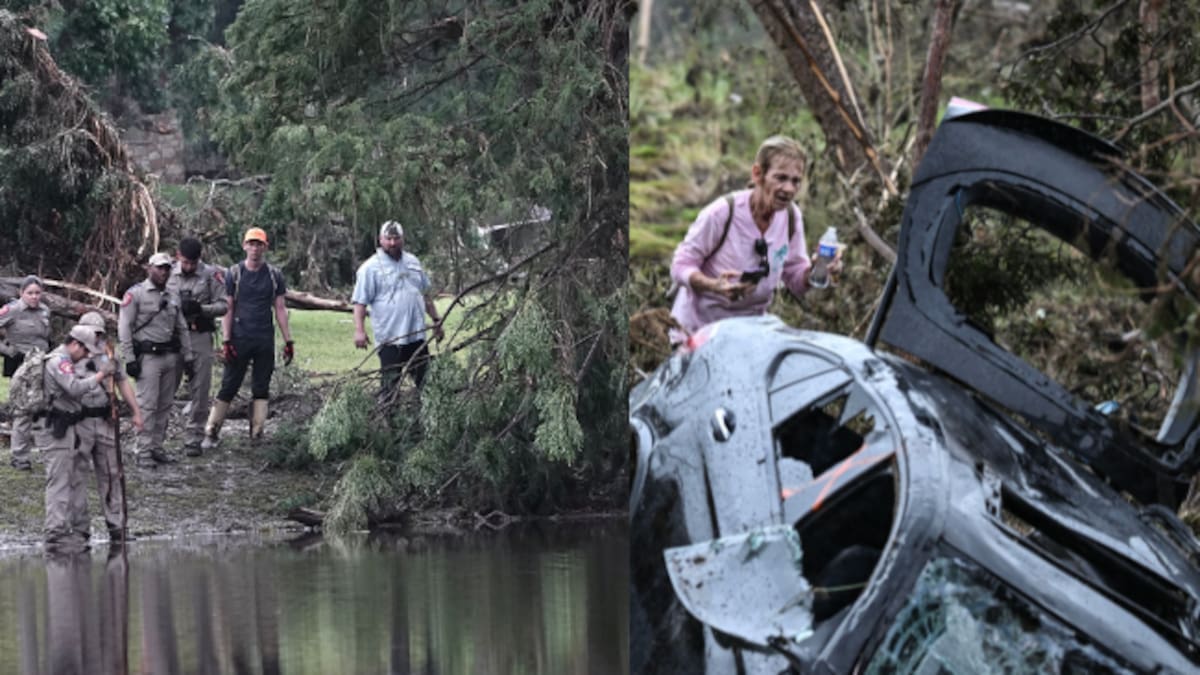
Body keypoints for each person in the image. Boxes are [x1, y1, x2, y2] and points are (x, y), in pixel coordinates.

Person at [669, 135, 842, 338]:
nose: (789, 189)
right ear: (758, 174)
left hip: (748, 334)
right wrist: (713, 286)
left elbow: (795, 278)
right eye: (781, 178)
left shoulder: (791, 217)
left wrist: (817, 270)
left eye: (796, 181)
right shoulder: (722, 213)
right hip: (698, 332)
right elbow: (680, 265)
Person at [203, 227, 294, 448]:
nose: (254, 248)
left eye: (259, 244)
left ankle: (257, 433)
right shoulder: (234, 273)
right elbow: (228, 307)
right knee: (229, 385)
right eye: (251, 244)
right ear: (244, 246)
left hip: (264, 337)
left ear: (265, 247)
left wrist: (288, 341)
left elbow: (280, 308)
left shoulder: (274, 275)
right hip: (239, 337)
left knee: (261, 387)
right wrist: (226, 340)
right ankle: (211, 431)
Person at [39, 325, 114, 551]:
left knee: (67, 479)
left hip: (65, 424)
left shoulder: (63, 360)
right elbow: (73, 388)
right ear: (74, 344)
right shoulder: (58, 361)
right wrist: (101, 375)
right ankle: (55, 534)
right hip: (55, 426)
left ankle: (64, 530)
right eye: (85, 350)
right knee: (59, 481)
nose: (87, 355)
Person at [118, 252, 194, 469]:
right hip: (148, 358)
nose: (163, 272)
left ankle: (156, 447)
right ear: (149, 268)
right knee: (147, 405)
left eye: (167, 268)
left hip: (171, 356)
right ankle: (142, 450)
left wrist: (188, 356)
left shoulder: (173, 295)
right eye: (159, 267)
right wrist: (130, 358)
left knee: (165, 405)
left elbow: (181, 327)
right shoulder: (136, 294)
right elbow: (124, 328)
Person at [352, 220, 443, 396]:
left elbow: (425, 294)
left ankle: (427, 420)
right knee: (390, 388)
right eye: (388, 239)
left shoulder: (413, 262)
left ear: (403, 239)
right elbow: (360, 302)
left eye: (396, 238)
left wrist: (436, 320)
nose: (392, 243)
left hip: (416, 336)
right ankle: (390, 421)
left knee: (427, 386)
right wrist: (359, 331)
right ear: (380, 239)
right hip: (390, 339)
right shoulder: (370, 268)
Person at [77, 311, 144, 543]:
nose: (94, 338)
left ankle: (118, 528)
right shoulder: (68, 355)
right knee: (77, 477)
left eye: (98, 333)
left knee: (112, 474)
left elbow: (123, 381)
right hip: (79, 423)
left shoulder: (108, 354)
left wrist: (136, 411)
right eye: (89, 333)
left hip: (106, 420)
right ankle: (79, 530)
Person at [167, 237, 227, 455]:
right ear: (178, 256)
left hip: (199, 334)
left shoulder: (211, 274)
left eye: (193, 263)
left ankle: (194, 437)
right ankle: (155, 438)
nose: (189, 267)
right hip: (173, 337)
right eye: (185, 262)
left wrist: (201, 309)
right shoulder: (167, 273)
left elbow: (224, 306)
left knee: (200, 389)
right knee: (166, 387)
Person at [0, 275, 52, 471]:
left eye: (38, 293)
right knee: (22, 410)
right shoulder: (12, 310)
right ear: (21, 293)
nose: (34, 297)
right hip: (21, 363)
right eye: (30, 293)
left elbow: (47, 337)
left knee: (43, 408)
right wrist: (6, 350)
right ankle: (19, 456)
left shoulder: (45, 311)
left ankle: (47, 451)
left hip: (42, 364)